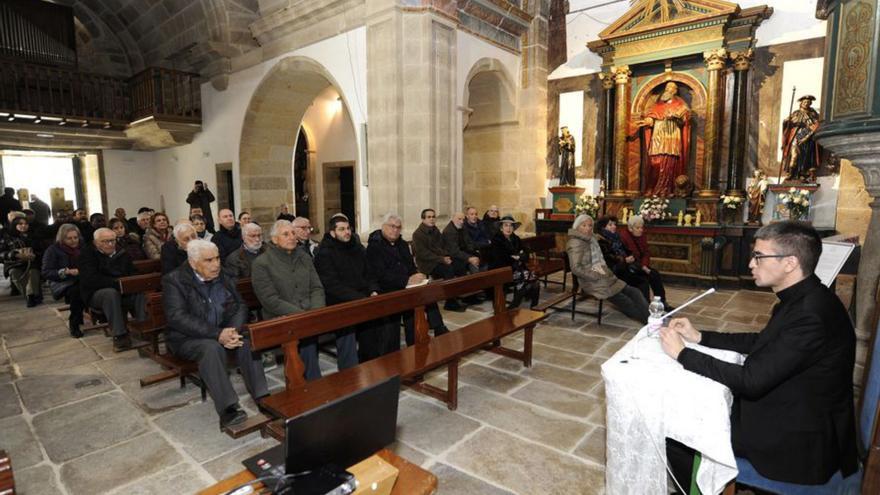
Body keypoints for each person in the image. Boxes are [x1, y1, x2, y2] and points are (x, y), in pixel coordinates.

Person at [659, 221, 858, 489]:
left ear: (789, 263)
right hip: (793, 411)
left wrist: (683, 354)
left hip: (796, 441)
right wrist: (700, 337)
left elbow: (751, 381)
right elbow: (762, 341)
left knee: (674, 431)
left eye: (759, 257)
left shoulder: (811, 314)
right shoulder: (805, 298)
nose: (751, 264)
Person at [163, 239, 269, 427]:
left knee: (246, 340)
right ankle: (228, 409)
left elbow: (239, 306)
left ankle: (262, 397)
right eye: (209, 260)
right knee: (211, 349)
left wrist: (233, 332)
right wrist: (217, 334)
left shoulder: (224, 276)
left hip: (223, 330)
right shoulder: (175, 280)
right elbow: (177, 317)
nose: (216, 264)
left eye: (217, 258)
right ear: (193, 263)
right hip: (187, 338)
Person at [252, 220, 325, 380]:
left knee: (339, 323)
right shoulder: (262, 263)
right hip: (279, 316)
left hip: (309, 313)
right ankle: (310, 381)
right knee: (304, 332)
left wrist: (317, 310)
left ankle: (312, 380)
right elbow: (270, 300)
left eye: (293, 233)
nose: (292, 237)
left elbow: (317, 288)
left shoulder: (304, 258)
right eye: (286, 234)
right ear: (275, 239)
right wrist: (302, 315)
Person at [366, 213, 449, 350]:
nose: (395, 230)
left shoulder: (403, 245)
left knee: (427, 292)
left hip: (407, 286)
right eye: (392, 226)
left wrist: (417, 274)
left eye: (398, 227)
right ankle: (395, 356)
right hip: (388, 289)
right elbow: (380, 274)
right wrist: (407, 280)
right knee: (404, 311)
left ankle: (422, 342)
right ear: (383, 227)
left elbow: (410, 266)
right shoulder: (375, 246)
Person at [314, 216, 378, 363]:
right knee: (349, 326)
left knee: (377, 319)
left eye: (348, 228)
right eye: (341, 229)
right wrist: (360, 298)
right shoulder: (324, 253)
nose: (347, 232)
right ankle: (350, 370)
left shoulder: (357, 248)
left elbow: (369, 273)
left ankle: (371, 363)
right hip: (339, 301)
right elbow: (331, 285)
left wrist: (373, 290)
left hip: (362, 297)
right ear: (332, 232)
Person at [566, 214, 649, 323]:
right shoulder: (575, 243)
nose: (587, 228)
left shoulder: (591, 239)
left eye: (590, 226)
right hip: (591, 281)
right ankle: (650, 322)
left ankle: (652, 317)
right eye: (584, 225)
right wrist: (596, 275)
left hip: (604, 275)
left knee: (635, 291)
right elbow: (576, 268)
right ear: (577, 226)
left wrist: (604, 272)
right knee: (625, 301)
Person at [79, 227, 145, 351]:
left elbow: (133, 272)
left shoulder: (122, 253)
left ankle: (143, 326)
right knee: (111, 294)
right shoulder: (87, 255)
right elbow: (91, 280)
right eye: (105, 241)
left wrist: (131, 281)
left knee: (138, 290)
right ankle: (120, 335)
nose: (110, 244)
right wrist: (118, 283)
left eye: (112, 240)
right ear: (95, 242)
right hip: (96, 293)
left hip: (122, 289)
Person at [635, 81, 691, 196]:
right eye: (666, 87)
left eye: (671, 88)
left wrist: (676, 117)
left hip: (671, 136)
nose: (667, 90)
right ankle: (653, 187)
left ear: (675, 91)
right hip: (657, 136)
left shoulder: (681, 105)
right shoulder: (657, 106)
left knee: (669, 161)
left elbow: (684, 121)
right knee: (654, 161)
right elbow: (652, 117)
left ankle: (667, 188)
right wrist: (648, 120)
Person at [412, 208, 467, 311]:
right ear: (423, 219)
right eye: (429, 217)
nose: (432, 219)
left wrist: (446, 256)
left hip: (438, 259)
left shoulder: (435, 230)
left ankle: (456, 295)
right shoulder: (418, 234)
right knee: (448, 269)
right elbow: (423, 254)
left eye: (433, 217)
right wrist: (442, 259)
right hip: (427, 264)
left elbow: (442, 246)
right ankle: (450, 303)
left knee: (460, 264)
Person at [620, 214, 671, 310]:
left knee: (655, 274)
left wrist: (644, 266)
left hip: (640, 265)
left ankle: (662, 303)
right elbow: (625, 256)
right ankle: (645, 306)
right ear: (630, 228)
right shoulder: (624, 237)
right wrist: (641, 267)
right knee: (644, 280)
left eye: (642, 227)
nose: (641, 230)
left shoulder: (641, 236)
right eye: (638, 228)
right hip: (629, 267)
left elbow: (646, 253)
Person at [41, 224, 85, 337]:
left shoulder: (83, 247)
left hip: (82, 278)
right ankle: (74, 323)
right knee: (77, 291)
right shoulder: (53, 250)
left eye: (75, 237)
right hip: (63, 282)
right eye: (69, 238)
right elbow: (46, 272)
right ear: (62, 238)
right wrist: (65, 272)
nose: (73, 241)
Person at [488, 216, 540, 309]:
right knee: (524, 283)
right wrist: (516, 257)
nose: (508, 228)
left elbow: (525, 252)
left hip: (516, 268)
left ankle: (534, 308)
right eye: (506, 225)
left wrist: (518, 257)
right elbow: (500, 258)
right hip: (502, 270)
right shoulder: (496, 240)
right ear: (501, 228)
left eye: (511, 226)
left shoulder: (515, 238)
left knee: (535, 282)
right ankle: (513, 306)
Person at [595, 216, 650, 300]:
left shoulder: (616, 237)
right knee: (642, 281)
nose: (614, 226)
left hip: (623, 267)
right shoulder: (601, 241)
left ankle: (645, 305)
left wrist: (630, 256)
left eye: (614, 224)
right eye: (610, 225)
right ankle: (644, 306)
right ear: (603, 227)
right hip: (612, 271)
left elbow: (626, 250)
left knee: (646, 276)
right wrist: (624, 260)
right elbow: (608, 259)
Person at [0, 217, 43, 306]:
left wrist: (34, 255)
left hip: (32, 262)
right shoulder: (8, 237)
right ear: (15, 225)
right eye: (20, 224)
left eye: (26, 224)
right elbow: (1, 253)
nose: (24, 226)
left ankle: (32, 295)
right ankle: (29, 295)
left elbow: (41, 250)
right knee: (15, 273)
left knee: (33, 272)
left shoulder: (34, 235)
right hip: (14, 263)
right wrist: (14, 255)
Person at [781, 95, 821, 181]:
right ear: (801, 103)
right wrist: (787, 122)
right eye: (804, 102)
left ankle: (802, 173)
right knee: (794, 155)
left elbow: (816, 125)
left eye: (808, 102)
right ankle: (791, 173)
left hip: (807, 137)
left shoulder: (813, 114)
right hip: (796, 136)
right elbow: (787, 124)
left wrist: (807, 133)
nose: (806, 104)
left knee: (804, 156)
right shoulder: (795, 113)